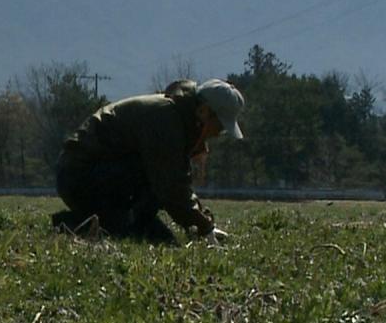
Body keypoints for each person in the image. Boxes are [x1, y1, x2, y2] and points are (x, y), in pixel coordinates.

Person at [52, 78, 245, 244]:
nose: (218, 134)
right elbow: (170, 186)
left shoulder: (177, 117)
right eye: (219, 126)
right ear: (204, 111)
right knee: (127, 229)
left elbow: (177, 181)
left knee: (158, 238)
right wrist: (203, 227)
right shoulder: (166, 122)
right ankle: (73, 223)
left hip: (94, 173)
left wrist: (202, 222)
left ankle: (119, 222)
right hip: (79, 176)